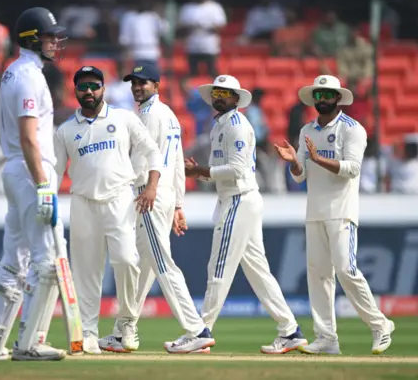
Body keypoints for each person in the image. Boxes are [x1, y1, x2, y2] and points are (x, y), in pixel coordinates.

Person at [184, 75, 308, 354]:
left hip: (239, 200)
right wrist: (201, 173)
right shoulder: (219, 126)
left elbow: (238, 170)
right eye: (216, 92)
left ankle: (200, 331)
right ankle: (290, 330)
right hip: (236, 198)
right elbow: (222, 170)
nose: (219, 96)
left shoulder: (237, 126)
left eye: (225, 93)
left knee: (218, 268)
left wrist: (200, 172)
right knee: (258, 272)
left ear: (236, 99)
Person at [97, 63, 214, 355]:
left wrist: (149, 189)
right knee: (146, 267)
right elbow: (175, 163)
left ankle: (196, 330)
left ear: (157, 85)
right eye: (134, 83)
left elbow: (152, 160)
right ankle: (124, 331)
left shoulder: (150, 116)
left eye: (143, 83)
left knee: (161, 263)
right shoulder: (168, 115)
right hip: (160, 193)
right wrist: (176, 204)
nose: (137, 87)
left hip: (147, 193)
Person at [274, 75, 395, 355]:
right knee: (318, 275)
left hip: (341, 211)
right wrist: (295, 162)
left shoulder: (353, 130)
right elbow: (300, 176)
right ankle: (327, 338)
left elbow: (352, 169)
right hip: (314, 211)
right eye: (318, 95)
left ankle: (380, 325)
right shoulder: (307, 129)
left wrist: (318, 159)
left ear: (338, 98)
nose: (322, 100)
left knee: (346, 270)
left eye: (328, 95)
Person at [0, 7, 68, 362]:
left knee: (14, 260)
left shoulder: (13, 71)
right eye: (50, 36)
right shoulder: (28, 76)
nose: (56, 42)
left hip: (17, 172)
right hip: (32, 172)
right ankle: (30, 343)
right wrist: (43, 184)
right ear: (31, 38)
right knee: (48, 261)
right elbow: (30, 138)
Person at [54, 65, 162, 354]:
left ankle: (127, 322)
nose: (88, 92)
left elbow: (153, 152)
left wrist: (151, 187)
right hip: (82, 202)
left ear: (103, 88)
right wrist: (47, 202)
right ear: (74, 91)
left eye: (94, 86)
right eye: (82, 87)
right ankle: (88, 331)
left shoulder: (123, 117)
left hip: (119, 200)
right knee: (87, 272)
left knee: (127, 261)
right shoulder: (65, 130)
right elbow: (53, 173)